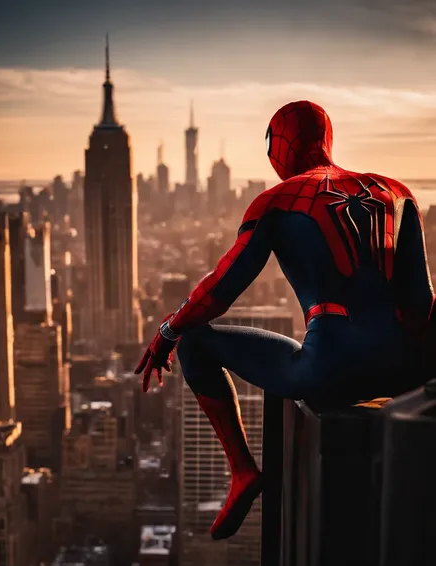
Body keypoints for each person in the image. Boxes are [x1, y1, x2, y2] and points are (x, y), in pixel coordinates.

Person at [135, 100, 435, 541]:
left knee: (196, 343)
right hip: (410, 371)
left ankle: (242, 472)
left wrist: (168, 331)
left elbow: (219, 290)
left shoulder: (276, 201)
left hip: (329, 371)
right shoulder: (398, 192)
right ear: (326, 138)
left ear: (279, 146)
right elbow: (421, 301)